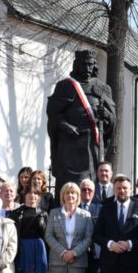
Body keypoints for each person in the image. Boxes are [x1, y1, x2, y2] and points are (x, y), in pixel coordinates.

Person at [47, 49, 116, 190]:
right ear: (77, 65)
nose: (88, 68)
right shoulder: (64, 86)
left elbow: (113, 118)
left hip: (93, 146)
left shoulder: (103, 88)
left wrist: (107, 115)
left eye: (91, 65)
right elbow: (53, 115)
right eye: (84, 64)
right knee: (69, 185)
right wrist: (65, 126)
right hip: (69, 144)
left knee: (91, 182)